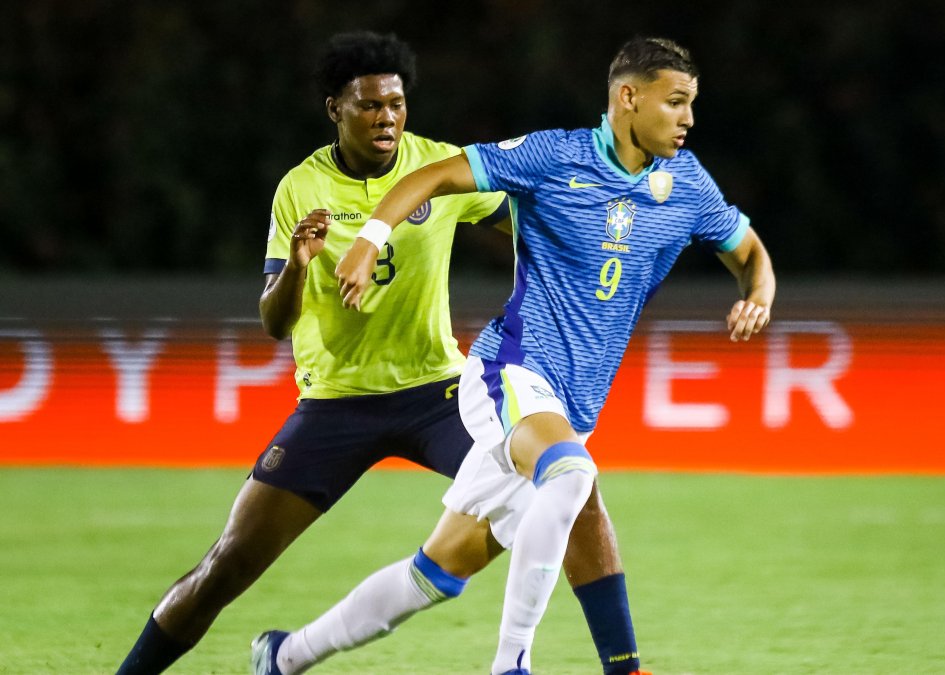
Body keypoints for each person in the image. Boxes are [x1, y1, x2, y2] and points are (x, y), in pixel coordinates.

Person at [115, 31, 643, 675]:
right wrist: (297, 268)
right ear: (334, 109)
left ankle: (622, 664)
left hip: (437, 396)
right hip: (336, 405)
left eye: (395, 103)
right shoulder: (300, 189)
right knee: (227, 564)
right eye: (368, 105)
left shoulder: (434, 167)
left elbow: (533, 221)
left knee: (572, 483)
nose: (386, 117)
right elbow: (275, 324)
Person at [253, 36, 774, 675]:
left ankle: (284, 656)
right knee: (574, 479)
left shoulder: (686, 184)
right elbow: (434, 175)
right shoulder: (555, 154)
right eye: (676, 102)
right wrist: (370, 237)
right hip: (510, 371)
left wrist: (759, 295)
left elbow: (748, 251)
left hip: (576, 399)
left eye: (691, 103)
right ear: (628, 98)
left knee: (437, 573)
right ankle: (518, 665)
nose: (688, 118)